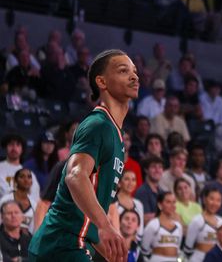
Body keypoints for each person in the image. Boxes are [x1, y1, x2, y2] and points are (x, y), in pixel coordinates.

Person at [29, 49, 140, 262]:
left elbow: (86, 217)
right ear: (102, 81)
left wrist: (111, 252)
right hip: (60, 243)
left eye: (134, 71)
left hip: (71, 242)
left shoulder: (117, 135)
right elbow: (75, 176)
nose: (134, 76)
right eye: (123, 71)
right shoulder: (98, 124)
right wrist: (106, 226)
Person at [141, 191, 182, 262]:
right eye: (168, 202)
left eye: (174, 202)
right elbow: (144, 250)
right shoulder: (153, 225)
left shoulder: (178, 226)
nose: (172, 205)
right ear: (160, 205)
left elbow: (178, 249)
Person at [185, 186, 222, 262]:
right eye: (212, 199)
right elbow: (187, 248)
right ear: (204, 199)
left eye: (218, 200)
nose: (215, 203)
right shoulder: (197, 220)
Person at [0, 168, 38, 233]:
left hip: (26, 241)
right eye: (22, 176)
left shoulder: (34, 204)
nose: (26, 180)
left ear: (31, 182)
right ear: (15, 181)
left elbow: (34, 230)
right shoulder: (5, 200)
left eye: (29, 177)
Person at [111, 170, 144, 241]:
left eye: (133, 180)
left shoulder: (138, 204)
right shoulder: (112, 202)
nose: (130, 183)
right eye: (126, 179)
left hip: (133, 245)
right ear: (119, 183)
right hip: (114, 242)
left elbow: (140, 230)